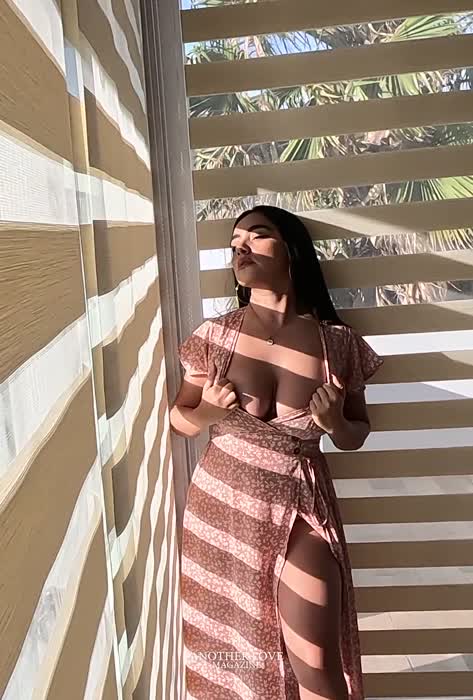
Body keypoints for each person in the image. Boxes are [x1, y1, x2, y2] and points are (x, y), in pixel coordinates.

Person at [170, 205, 384, 700]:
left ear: (291, 250)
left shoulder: (336, 343)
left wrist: (335, 424)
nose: (240, 249)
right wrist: (206, 413)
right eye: (234, 243)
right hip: (224, 508)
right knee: (237, 656)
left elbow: (357, 432)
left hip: (301, 500)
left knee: (317, 662)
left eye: (256, 236)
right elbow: (178, 419)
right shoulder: (215, 336)